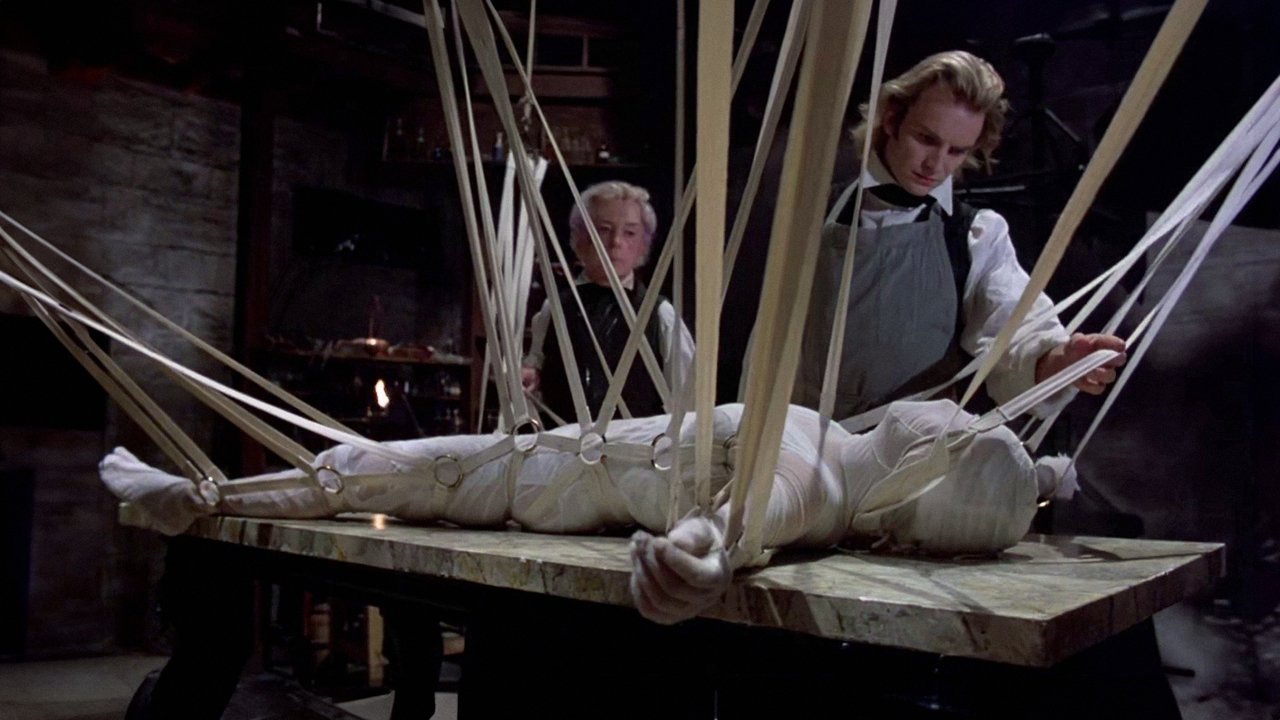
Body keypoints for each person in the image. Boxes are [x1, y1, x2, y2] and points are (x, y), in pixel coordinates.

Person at [793, 50, 1127, 420]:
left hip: (911, 442)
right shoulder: (809, 215)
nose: (935, 165)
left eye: (956, 151)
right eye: (926, 139)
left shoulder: (975, 235)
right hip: (799, 435)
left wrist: (1062, 361)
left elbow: (1015, 332)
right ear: (891, 119)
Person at [522, 180, 694, 425]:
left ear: (644, 244)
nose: (616, 242)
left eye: (629, 232)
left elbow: (688, 405)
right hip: (564, 443)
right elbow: (534, 375)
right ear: (579, 237)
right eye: (603, 230)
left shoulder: (660, 315)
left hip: (635, 447)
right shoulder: (556, 309)